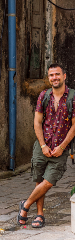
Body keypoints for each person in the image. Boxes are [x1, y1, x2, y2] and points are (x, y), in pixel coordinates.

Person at [17, 64, 75, 228]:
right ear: (48, 78)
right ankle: (40, 215)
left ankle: (25, 205)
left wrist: (62, 147)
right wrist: (42, 145)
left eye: (57, 74)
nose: (54, 77)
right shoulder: (44, 96)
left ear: (64, 76)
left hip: (61, 148)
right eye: (51, 75)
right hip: (42, 146)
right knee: (39, 180)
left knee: (48, 181)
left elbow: (74, 126)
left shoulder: (73, 97)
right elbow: (37, 122)